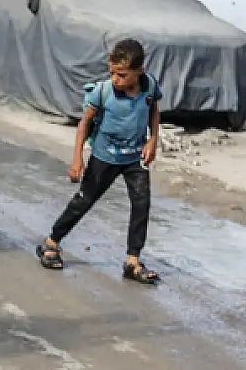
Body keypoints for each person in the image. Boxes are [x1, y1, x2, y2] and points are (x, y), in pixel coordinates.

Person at [35, 37, 162, 285]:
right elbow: (84, 124)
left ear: (140, 71)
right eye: (113, 73)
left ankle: (132, 260)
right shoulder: (103, 92)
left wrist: (153, 139)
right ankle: (51, 243)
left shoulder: (149, 88)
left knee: (141, 204)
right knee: (84, 200)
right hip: (104, 157)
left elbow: (154, 109)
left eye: (123, 75)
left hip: (135, 157)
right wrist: (77, 159)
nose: (116, 79)